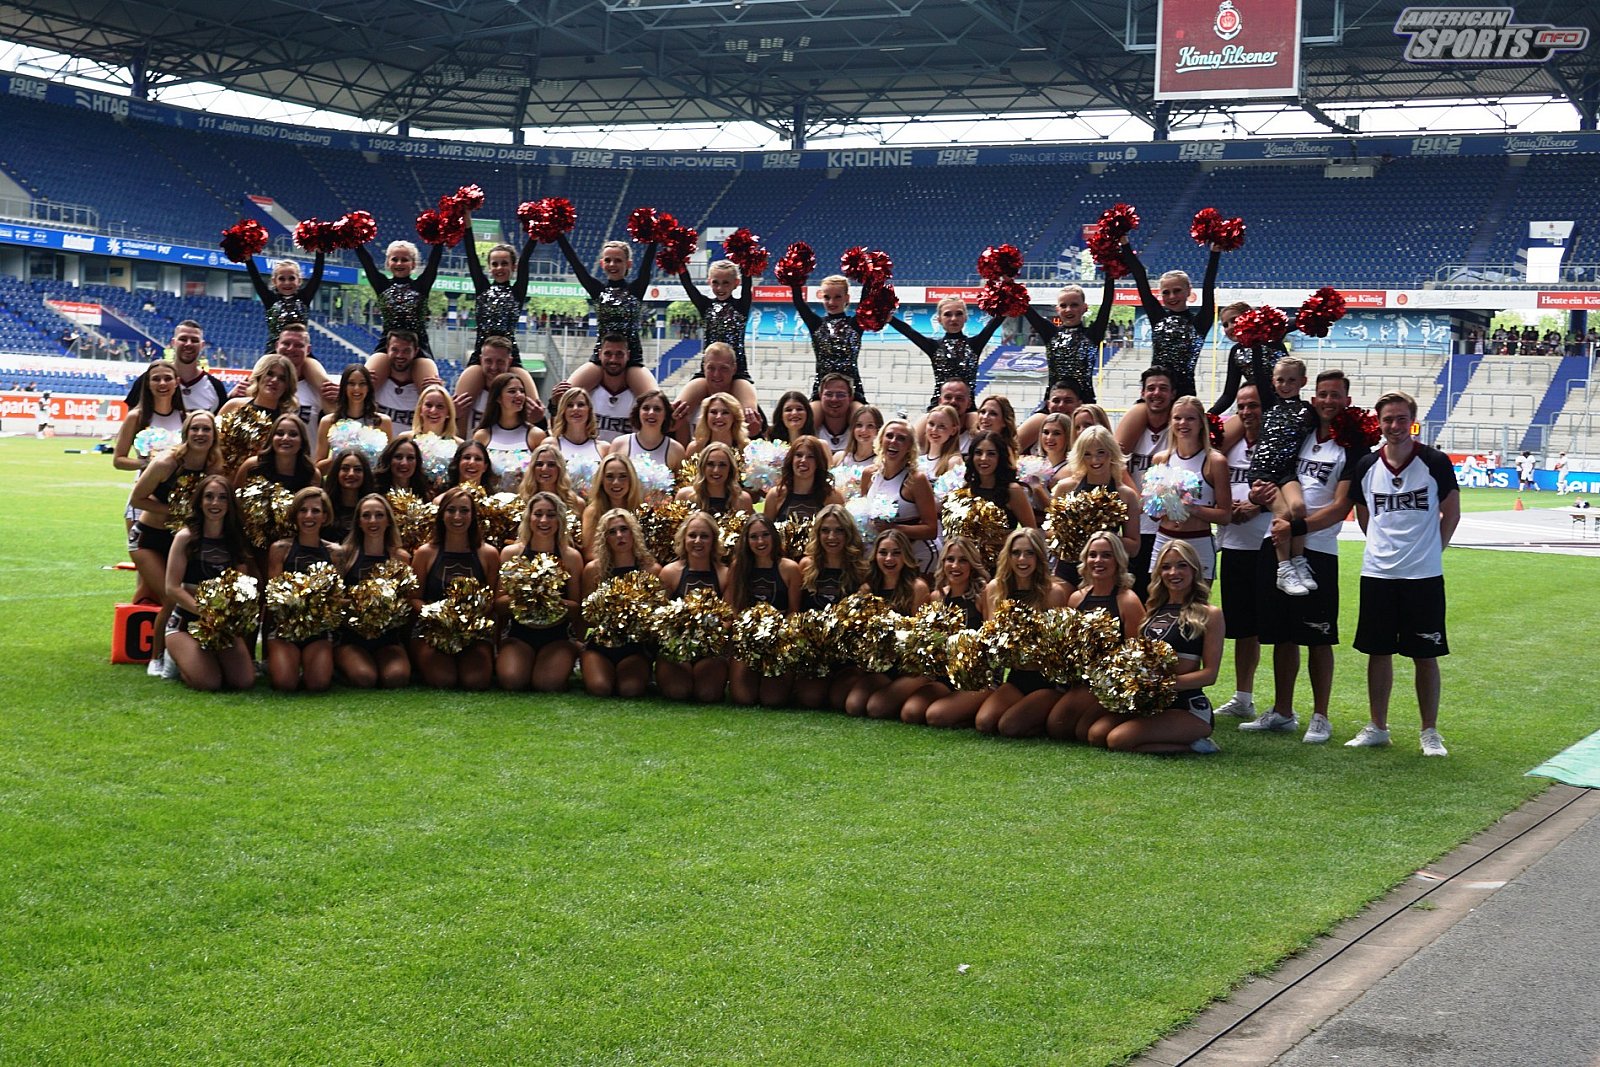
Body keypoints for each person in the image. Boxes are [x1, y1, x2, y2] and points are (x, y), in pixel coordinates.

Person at [1240, 369, 1363, 742]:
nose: (1328, 401)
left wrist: (1297, 527)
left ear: (1347, 400)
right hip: (1277, 540)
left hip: (1317, 549)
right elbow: (1276, 477)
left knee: (1319, 637)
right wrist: (1259, 497)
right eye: (1323, 394)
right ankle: (1283, 711)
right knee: (1281, 635)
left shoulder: (1352, 445)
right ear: (1314, 397)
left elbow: (1340, 506)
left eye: (1335, 395)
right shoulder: (1302, 430)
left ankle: (1320, 716)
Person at [1345, 391, 1460, 756]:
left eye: (1401, 419)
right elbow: (1365, 515)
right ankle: (1378, 726)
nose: (1394, 426)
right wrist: (1382, 547)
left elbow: (1452, 512)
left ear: (1412, 422)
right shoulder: (1367, 465)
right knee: (1378, 652)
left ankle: (1430, 732)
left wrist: (1434, 549)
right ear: (1379, 423)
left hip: (1423, 575)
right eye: (1387, 419)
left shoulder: (1434, 462)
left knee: (1425, 654)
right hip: (1377, 574)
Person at [1083, 539, 1224, 754]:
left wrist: (1160, 685)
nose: (1173, 572)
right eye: (1166, 567)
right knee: (1096, 734)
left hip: (1186, 706)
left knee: (1118, 740)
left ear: (1194, 570)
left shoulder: (1209, 614)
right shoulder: (1153, 610)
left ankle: (1196, 745)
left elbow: (1210, 675)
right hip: (1150, 703)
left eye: (1182, 565)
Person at [128, 410, 221, 678]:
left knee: (188, 593)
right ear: (186, 432)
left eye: (206, 429)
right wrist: (176, 511)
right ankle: (156, 657)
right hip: (148, 539)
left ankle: (183, 650)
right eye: (195, 429)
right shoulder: (166, 462)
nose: (200, 434)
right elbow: (137, 499)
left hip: (180, 542)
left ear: (214, 435)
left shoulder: (213, 466)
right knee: (170, 596)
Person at [1043, 530, 1146, 741]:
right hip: (1082, 682)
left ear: (1118, 560)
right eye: (1093, 555)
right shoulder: (1076, 598)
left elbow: (1137, 655)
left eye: (1106, 555)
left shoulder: (1128, 601)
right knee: (1057, 726)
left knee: (1083, 732)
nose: (1098, 561)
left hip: (1113, 684)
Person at [162, 475, 256, 692]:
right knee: (209, 683)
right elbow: (172, 588)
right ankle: (175, 657)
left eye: (222, 498)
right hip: (186, 623)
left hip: (221, 625)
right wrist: (205, 612)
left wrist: (232, 615)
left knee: (243, 681)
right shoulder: (186, 537)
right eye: (209, 497)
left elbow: (241, 586)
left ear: (230, 503)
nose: (215, 503)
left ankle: (209, 655)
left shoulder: (236, 539)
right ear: (200, 501)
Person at [1211, 383, 1271, 722]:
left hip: (1268, 544)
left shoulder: (1276, 443)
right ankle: (1243, 697)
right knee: (1243, 629)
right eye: (1242, 406)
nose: (1247, 412)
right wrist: (1227, 509)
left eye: (1254, 405)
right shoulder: (1229, 445)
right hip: (1233, 544)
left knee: (1277, 629)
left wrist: (1257, 507)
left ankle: (1283, 705)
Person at [409, 486, 500, 690]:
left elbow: (492, 600)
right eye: (451, 510)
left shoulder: (489, 554)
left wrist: (467, 621)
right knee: (444, 679)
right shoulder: (425, 553)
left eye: (464, 510)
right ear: (442, 515)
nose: (457, 516)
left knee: (475, 681)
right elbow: (414, 598)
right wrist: (439, 616)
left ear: (473, 516)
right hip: (431, 629)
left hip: (474, 633)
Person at [895, 536, 990, 726]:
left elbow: (991, 640)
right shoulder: (936, 597)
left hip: (976, 679)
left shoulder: (982, 595)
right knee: (910, 713)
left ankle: (979, 705)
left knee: (936, 716)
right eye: (950, 559)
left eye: (963, 560)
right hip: (944, 678)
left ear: (972, 564)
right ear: (943, 562)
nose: (955, 566)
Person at [495, 493, 583, 693]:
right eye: (538, 514)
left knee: (547, 684)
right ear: (529, 517)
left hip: (558, 637)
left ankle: (573, 652)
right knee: (512, 681)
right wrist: (525, 596)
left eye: (551, 515)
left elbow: (576, 609)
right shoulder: (511, 553)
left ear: (560, 519)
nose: (544, 520)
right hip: (519, 635)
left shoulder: (571, 557)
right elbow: (499, 605)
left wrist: (548, 598)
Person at [1118, 236, 1224, 401]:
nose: (1172, 296)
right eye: (1166, 292)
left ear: (1188, 291)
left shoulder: (1199, 323)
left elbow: (1208, 285)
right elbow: (1140, 278)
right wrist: (1125, 243)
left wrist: (1214, 253)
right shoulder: (1158, 318)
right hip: (1155, 394)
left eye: (1177, 290)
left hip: (1184, 397)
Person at [841, 529, 931, 716]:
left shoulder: (917, 588)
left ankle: (911, 694)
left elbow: (920, 639)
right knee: (853, 705)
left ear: (906, 556)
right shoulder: (867, 589)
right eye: (883, 552)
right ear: (875, 556)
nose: (889, 559)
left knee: (876, 708)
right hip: (880, 668)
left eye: (896, 553)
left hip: (909, 668)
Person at [555, 235, 659, 396]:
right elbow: (576, 264)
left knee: (656, 401)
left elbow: (647, 264)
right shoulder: (598, 291)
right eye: (608, 260)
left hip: (632, 360)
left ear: (628, 264)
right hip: (601, 359)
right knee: (563, 396)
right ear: (602, 263)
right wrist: (559, 235)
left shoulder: (635, 290)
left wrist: (656, 236)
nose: (612, 264)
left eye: (618, 260)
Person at [1147, 395, 1232, 581]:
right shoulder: (1160, 459)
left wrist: (1191, 508)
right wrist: (1157, 500)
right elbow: (1153, 515)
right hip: (1165, 540)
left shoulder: (1215, 461)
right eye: (1177, 418)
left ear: (1201, 423)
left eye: (1190, 418)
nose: (1183, 423)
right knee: (1158, 597)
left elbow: (1225, 516)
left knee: (1197, 599)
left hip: (1198, 541)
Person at [333, 493, 413, 689]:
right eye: (366, 515)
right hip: (350, 637)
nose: (373, 521)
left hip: (388, 638)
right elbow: (333, 599)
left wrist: (387, 610)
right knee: (364, 678)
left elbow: (407, 601)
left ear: (388, 521)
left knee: (396, 678)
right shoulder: (344, 554)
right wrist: (362, 606)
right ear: (359, 522)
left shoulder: (401, 557)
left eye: (379, 515)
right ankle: (338, 666)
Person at [793, 503, 869, 708]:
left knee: (838, 700)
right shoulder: (806, 565)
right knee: (810, 698)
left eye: (839, 531)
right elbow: (796, 612)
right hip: (814, 654)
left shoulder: (862, 569)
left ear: (848, 533)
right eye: (825, 531)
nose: (831, 537)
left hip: (847, 656)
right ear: (817, 534)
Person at [264, 487, 339, 693]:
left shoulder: (335, 553)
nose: (309, 516)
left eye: (316, 511)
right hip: (284, 629)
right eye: (303, 510)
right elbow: (272, 597)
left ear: (325, 516)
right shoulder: (280, 549)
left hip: (318, 630)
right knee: (285, 683)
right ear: (295, 515)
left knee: (318, 684)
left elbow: (337, 597)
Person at [579, 509, 660, 699]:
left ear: (634, 533)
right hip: (601, 645)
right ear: (605, 538)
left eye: (624, 529)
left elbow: (657, 617)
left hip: (636, 647)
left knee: (630, 690)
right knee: (600, 688)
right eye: (612, 532)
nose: (619, 536)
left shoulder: (652, 570)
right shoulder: (593, 570)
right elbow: (585, 617)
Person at [1049, 425, 1141, 590]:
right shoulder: (1064, 488)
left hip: (1106, 573)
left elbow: (1134, 547)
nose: (1095, 460)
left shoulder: (1127, 495)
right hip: (1068, 569)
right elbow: (1050, 532)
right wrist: (1070, 533)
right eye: (1087, 454)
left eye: (1101, 452)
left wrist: (1101, 537)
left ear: (1111, 453)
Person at [725, 515, 802, 707]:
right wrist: (745, 632)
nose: (760, 541)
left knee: (772, 699)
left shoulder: (790, 568)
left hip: (779, 641)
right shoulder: (738, 567)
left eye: (765, 535)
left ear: (774, 536)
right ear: (746, 540)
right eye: (754, 537)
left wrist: (777, 632)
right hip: (747, 641)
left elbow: (794, 611)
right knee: (743, 698)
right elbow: (731, 607)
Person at [655, 511, 731, 702]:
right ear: (684, 539)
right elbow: (657, 616)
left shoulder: (725, 574)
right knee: (678, 692)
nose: (698, 541)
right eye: (692, 535)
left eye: (704, 536)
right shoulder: (669, 573)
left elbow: (729, 618)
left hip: (710, 651)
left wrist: (707, 638)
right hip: (675, 649)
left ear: (713, 540)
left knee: (708, 694)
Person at [675, 259, 761, 420]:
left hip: (738, 373)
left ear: (736, 283)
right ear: (709, 282)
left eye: (726, 283)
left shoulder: (741, 306)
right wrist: (679, 262)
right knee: (677, 412)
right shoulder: (705, 306)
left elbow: (747, 282)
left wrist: (745, 257)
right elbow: (688, 286)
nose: (720, 288)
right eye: (716, 282)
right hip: (706, 373)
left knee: (752, 417)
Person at [1115, 367, 1174, 600]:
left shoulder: (1179, 428)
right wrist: (1139, 500)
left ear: (1172, 393)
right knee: (1135, 593)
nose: (1156, 393)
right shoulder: (1134, 426)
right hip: (1136, 526)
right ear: (1142, 393)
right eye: (1151, 388)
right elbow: (1117, 464)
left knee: (1166, 593)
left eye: (1163, 388)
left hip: (1167, 527)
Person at [888, 296, 1003, 409]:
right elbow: (909, 332)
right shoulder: (933, 346)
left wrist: (1008, 303)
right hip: (938, 409)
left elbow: (993, 324)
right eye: (948, 314)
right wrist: (890, 319)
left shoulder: (974, 344)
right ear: (939, 320)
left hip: (968, 410)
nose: (954, 318)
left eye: (959, 314)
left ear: (966, 318)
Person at [859, 418, 940, 572]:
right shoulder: (868, 474)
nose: (894, 441)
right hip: (885, 558)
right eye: (889, 436)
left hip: (917, 555)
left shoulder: (916, 479)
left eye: (901, 438)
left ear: (909, 447)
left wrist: (893, 528)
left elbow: (931, 529)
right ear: (881, 440)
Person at [1021, 277, 1116, 409]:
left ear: (1085, 308)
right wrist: (1008, 280)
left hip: (1084, 405)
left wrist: (1110, 273)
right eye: (1063, 306)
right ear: (1057, 309)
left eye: (1074, 305)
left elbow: (1107, 303)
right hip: (1053, 403)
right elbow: (1024, 306)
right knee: (1031, 423)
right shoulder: (1051, 334)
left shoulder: (1092, 335)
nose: (1068, 310)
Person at [354, 237, 444, 358]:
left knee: (429, 371)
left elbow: (434, 262)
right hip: (388, 345)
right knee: (365, 370)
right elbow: (367, 263)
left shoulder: (422, 285)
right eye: (394, 259)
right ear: (387, 263)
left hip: (418, 345)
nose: (399, 263)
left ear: (413, 264)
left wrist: (440, 239)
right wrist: (356, 240)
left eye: (404, 260)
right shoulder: (382, 285)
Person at [461, 225, 534, 363]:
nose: (499, 268)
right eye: (495, 264)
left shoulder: (517, 292)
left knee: (523, 379)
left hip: (509, 356)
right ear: (489, 267)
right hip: (481, 355)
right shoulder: (482, 288)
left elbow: (524, 259)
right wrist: (467, 222)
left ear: (514, 267)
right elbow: (471, 254)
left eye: (504, 263)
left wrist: (535, 233)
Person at [122, 321, 229, 414]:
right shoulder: (147, 380)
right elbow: (132, 423)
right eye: (183, 339)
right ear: (173, 343)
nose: (188, 344)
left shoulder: (216, 387)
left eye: (194, 340)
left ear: (202, 345)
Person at [791, 275, 869, 402]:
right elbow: (799, 302)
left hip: (853, 392)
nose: (832, 302)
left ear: (847, 298)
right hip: (822, 392)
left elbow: (866, 301)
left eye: (837, 297)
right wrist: (794, 275)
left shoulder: (855, 324)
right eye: (827, 297)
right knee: (810, 414)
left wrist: (870, 276)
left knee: (864, 414)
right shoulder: (816, 324)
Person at [1210, 301, 1289, 416]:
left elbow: (1293, 323)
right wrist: (1208, 416)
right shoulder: (1236, 351)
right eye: (1225, 325)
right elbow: (1229, 394)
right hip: (1254, 407)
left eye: (1234, 320)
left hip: (1283, 406)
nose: (1230, 327)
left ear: (1249, 318)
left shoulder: (1271, 338)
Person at [472, 373, 547, 492]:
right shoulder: (482, 436)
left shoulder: (536, 435)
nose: (519, 395)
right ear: (498, 398)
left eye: (522, 391)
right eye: (512, 391)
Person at [314, 364, 392, 473]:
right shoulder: (328, 422)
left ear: (368, 388)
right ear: (344, 387)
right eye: (351, 383)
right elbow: (318, 469)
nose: (357, 388)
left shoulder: (383, 422)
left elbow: (388, 464)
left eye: (362, 384)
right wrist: (339, 456)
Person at [455, 335, 539, 436]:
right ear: (481, 359)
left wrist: (538, 420)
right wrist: (452, 415)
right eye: (488, 361)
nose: (494, 367)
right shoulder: (472, 383)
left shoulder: (518, 394)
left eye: (500, 362)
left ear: (509, 361)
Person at [671, 343, 753, 444]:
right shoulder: (690, 403)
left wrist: (754, 431)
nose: (716, 374)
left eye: (723, 368)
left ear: (734, 369)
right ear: (704, 368)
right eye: (711, 368)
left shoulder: (743, 394)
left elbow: (752, 435)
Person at [368, 331, 441, 436]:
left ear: (416, 351)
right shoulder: (373, 381)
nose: (400, 355)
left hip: (410, 445)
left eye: (406, 351)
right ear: (387, 348)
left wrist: (444, 401)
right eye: (395, 349)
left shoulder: (426, 386)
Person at [246, 255, 325, 353]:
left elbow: (317, 276)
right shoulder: (270, 299)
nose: (287, 282)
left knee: (315, 364)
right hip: (274, 352)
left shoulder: (304, 298)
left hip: (300, 352)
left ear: (299, 280)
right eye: (281, 279)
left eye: (291, 278)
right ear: (274, 281)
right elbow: (256, 279)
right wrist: (248, 259)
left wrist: (320, 253)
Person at [964, 430, 1037, 532]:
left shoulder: (1013, 490)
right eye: (978, 453)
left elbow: (1031, 532)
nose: (983, 458)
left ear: (1000, 457)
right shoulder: (967, 488)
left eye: (991, 454)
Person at [586, 334, 651, 444]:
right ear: (600, 354)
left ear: (628, 355)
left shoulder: (640, 398)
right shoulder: (587, 394)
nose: (613, 359)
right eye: (608, 354)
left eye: (619, 354)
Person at [609, 389, 685, 481]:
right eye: (646, 408)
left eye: (657, 409)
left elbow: (680, 486)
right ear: (638, 412)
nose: (651, 412)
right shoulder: (619, 444)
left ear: (665, 414)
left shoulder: (677, 450)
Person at [764, 435, 843, 523]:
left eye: (810, 456)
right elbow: (767, 530)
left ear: (818, 462)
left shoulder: (833, 496)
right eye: (799, 455)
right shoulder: (775, 495)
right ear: (791, 460)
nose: (803, 460)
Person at [234, 413, 319, 493]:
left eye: (293, 434)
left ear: (302, 441)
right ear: (271, 439)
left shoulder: (312, 474)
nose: (285, 438)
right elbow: (234, 499)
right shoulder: (252, 466)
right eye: (280, 433)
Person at [581, 454, 645, 553]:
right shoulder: (592, 512)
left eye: (623, 476)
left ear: (631, 479)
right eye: (609, 477)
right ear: (601, 480)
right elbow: (590, 554)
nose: (616, 482)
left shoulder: (642, 509)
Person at [676, 440, 753, 517]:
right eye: (710, 464)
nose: (716, 470)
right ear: (702, 467)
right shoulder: (685, 496)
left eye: (722, 465)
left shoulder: (743, 500)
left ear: (730, 469)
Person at [324, 449, 377, 543]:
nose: (351, 474)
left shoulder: (375, 507)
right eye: (345, 468)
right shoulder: (323, 506)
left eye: (358, 469)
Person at [810, 372, 864, 454]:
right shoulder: (812, 429)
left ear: (850, 397)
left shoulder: (861, 432)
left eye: (841, 395)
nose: (834, 399)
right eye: (828, 394)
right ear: (820, 396)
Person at [833, 404, 883, 489]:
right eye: (859, 425)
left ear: (879, 430)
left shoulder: (880, 463)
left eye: (870, 426)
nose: (864, 430)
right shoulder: (839, 457)